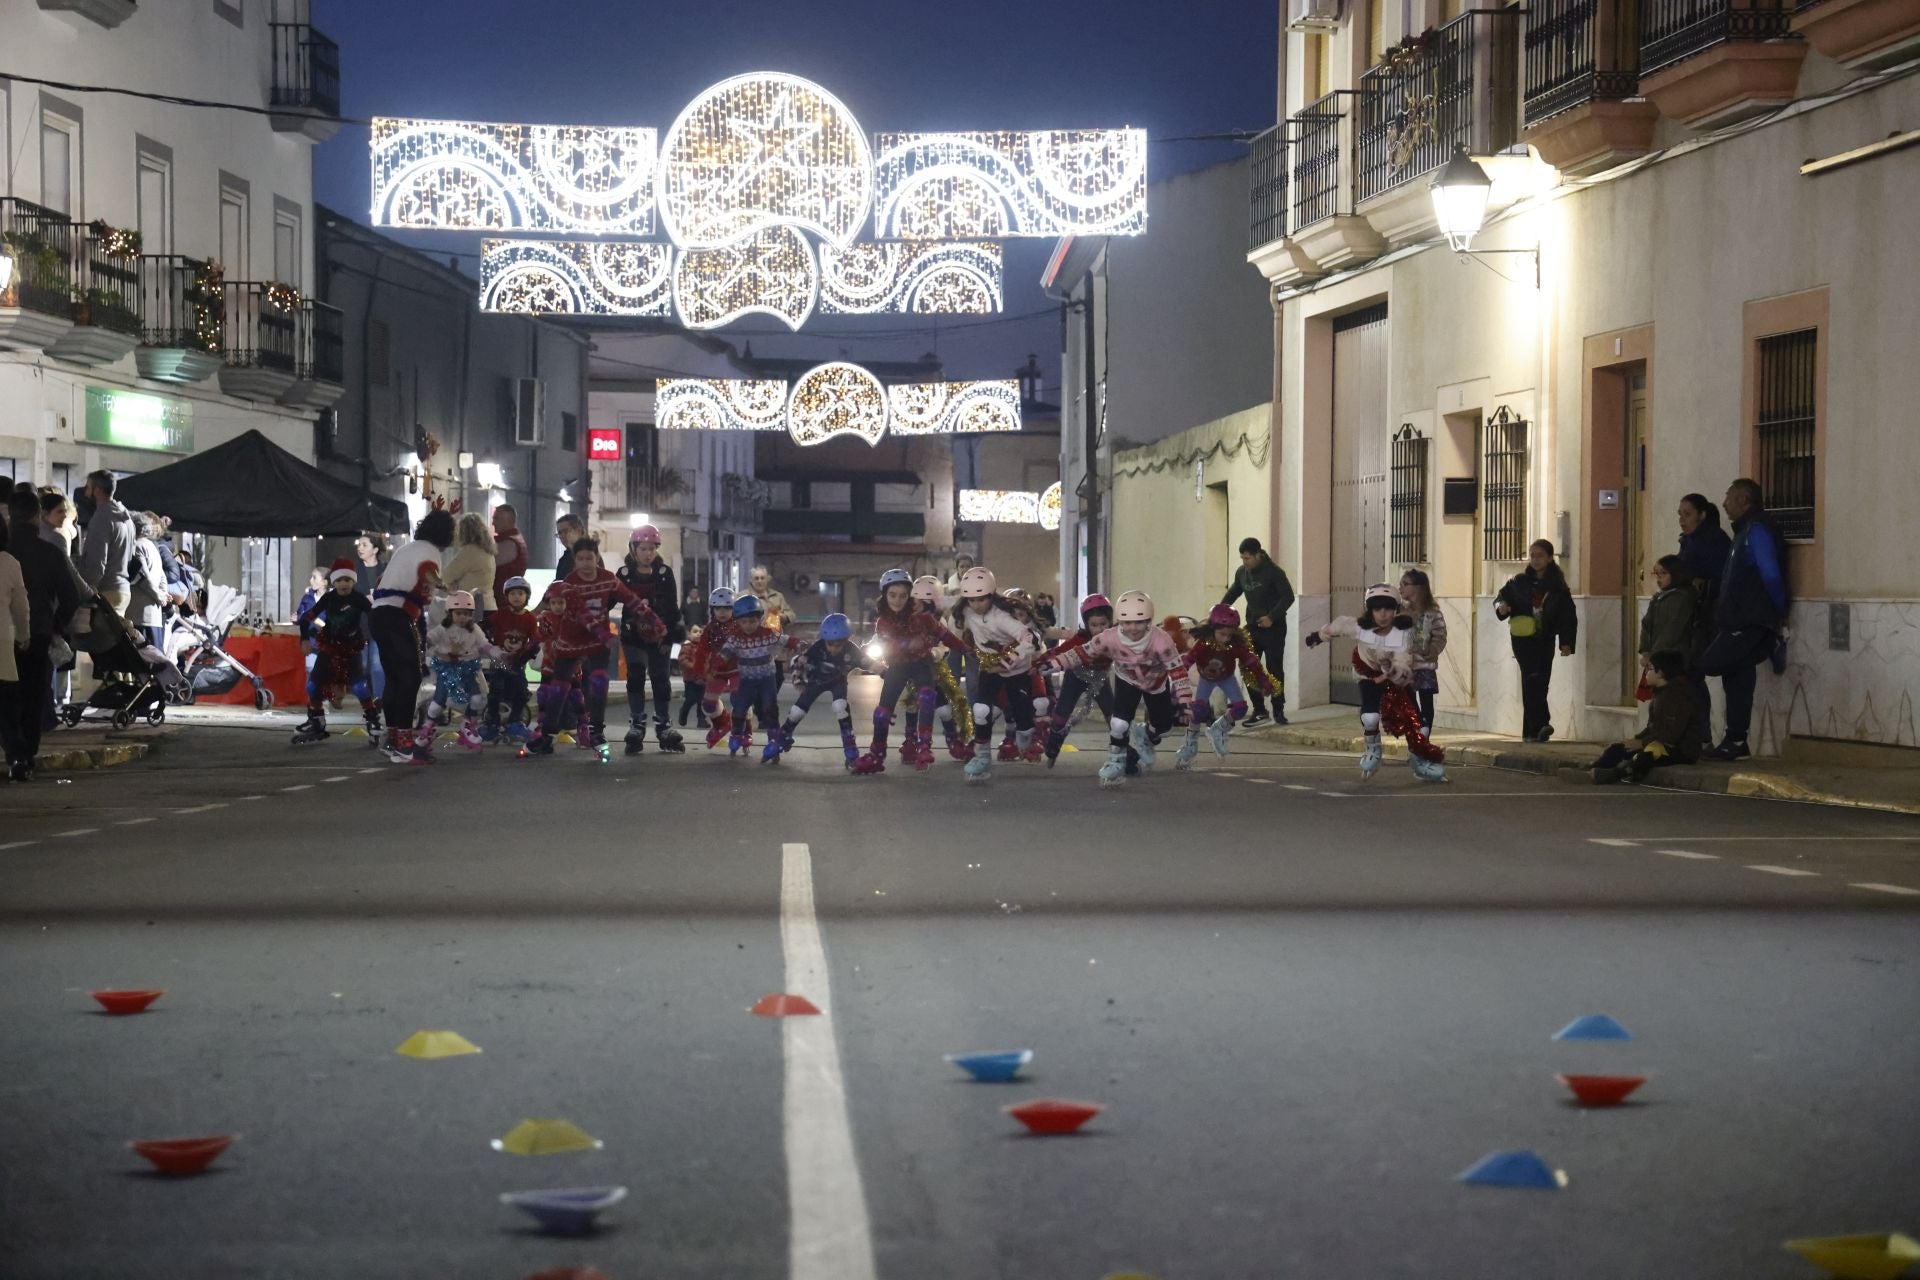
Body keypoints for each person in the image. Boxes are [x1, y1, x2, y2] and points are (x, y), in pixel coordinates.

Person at [521, 539, 660, 759]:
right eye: (580, 559)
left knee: (598, 681)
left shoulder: (607, 579)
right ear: (575, 561)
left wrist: (652, 619)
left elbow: (630, 599)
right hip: (571, 639)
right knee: (558, 687)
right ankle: (547, 735)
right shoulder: (570, 582)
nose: (586, 563)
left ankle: (596, 730)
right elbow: (578, 614)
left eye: (590, 558)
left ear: (597, 558)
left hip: (598, 642)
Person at [1042, 590, 1189, 787]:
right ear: (1119, 621)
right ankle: (1116, 762)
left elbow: (1177, 670)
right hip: (1121, 680)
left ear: (1149, 621)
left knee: (1164, 728)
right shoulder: (1109, 637)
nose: (1133, 628)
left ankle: (1145, 734)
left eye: (1140, 622)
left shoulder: (1161, 640)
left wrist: (1185, 700)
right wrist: (1053, 664)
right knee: (1118, 723)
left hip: (1155, 684)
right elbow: (1080, 653)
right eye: (1127, 623)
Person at [1307, 584, 1448, 782]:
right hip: (1369, 678)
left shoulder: (1402, 635)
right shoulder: (1360, 628)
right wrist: (1319, 636)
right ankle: (1373, 749)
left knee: (1420, 726)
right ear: (1370, 610)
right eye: (1377, 609)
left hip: (1398, 681)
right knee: (1370, 718)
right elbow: (1339, 625)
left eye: (1388, 608)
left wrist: (1392, 670)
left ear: (1396, 610)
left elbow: (1404, 662)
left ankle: (1419, 762)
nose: (1383, 614)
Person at [1699, 478, 1788, 761]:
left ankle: (1768, 645)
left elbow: (1770, 574)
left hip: (1749, 619)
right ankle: (1736, 740)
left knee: (1709, 664)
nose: (1724, 503)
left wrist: (1778, 612)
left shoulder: (1757, 530)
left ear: (1744, 500)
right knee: (1737, 674)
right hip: (1736, 619)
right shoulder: (1741, 532)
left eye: (1729, 497)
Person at [852, 569, 971, 775]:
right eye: (892, 595)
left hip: (922, 663)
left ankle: (924, 747)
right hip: (897, 666)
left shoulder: (923, 618)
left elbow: (946, 636)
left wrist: (966, 651)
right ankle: (877, 755)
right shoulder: (883, 622)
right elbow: (893, 646)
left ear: (909, 596)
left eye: (903, 595)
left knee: (927, 698)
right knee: (882, 714)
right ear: (885, 594)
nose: (897, 600)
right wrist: (911, 642)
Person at [369, 509, 455, 764]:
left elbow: (383, 579)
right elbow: (427, 572)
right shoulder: (430, 552)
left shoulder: (406, 548)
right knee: (410, 676)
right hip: (397, 616)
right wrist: (441, 584)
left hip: (379, 615)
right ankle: (404, 744)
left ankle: (393, 736)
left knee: (395, 677)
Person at [952, 566, 1042, 781]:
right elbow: (940, 603)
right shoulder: (966, 610)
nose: (976, 605)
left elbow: (1030, 638)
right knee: (981, 709)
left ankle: (1026, 736)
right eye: (971, 600)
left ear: (991, 595)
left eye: (981, 599)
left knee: (1024, 721)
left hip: (1016, 672)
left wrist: (1008, 661)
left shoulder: (1001, 617)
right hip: (989, 670)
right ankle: (982, 757)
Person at [13, 492, 81, 750]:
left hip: (6, 631)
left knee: (9, 692)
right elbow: (70, 596)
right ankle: (26, 753)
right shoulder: (50, 552)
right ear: (36, 516)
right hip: (39, 629)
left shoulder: (6, 551)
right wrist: (57, 625)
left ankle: (13, 745)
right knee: (34, 692)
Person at [1494, 539, 1576, 743]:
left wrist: (1566, 642)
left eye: (1540, 555)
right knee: (1531, 677)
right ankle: (1542, 723)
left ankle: (1531, 731)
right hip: (1523, 639)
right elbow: (1500, 598)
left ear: (1549, 558)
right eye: (1532, 555)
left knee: (1540, 682)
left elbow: (1567, 616)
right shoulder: (1519, 582)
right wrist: (1502, 607)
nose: (1536, 560)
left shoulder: (1557, 587)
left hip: (1545, 638)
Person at [1175, 604, 1276, 769]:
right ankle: (1190, 743)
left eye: (1230, 635)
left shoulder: (1235, 645)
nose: (1226, 639)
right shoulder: (1203, 644)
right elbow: (1188, 660)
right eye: (1222, 634)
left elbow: (1252, 662)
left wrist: (1263, 680)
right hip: (1206, 678)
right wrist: (1177, 677)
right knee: (1199, 711)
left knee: (1240, 709)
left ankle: (1218, 728)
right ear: (1212, 629)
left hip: (1226, 677)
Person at [769, 613, 872, 768]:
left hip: (838, 681)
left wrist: (886, 672)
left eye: (838, 644)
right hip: (816, 681)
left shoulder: (852, 650)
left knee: (840, 707)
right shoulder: (818, 646)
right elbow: (802, 660)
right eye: (830, 644)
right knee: (797, 711)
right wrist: (799, 676)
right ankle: (784, 735)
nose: (833, 648)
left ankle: (850, 745)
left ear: (846, 640)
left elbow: (869, 663)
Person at [293, 560, 378, 746]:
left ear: (353, 581)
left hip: (350, 649)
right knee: (312, 686)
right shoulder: (329, 599)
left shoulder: (358, 599)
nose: (343, 584)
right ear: (333, 582)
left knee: (358, 687)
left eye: (347, 579)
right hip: (329, 648)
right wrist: (305, 639)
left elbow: (375, 616)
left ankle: (373, 721)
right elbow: (306, 618)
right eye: (339, 580)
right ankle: (317, 721)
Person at [616, 525, 685, 755]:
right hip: (632, 634)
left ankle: (663, 725)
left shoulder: (664, 573)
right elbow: (609, 599)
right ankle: (637, 723)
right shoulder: (623, 574)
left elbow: (673, 606)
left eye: (652, 549)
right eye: (643, 548)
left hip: (659, 634)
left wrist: (674, 634)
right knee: (635, 675)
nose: (648, 553)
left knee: (660, 679)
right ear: (633, 549)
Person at [1590, 650, 1704, 783]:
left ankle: (1615, 775)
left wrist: (1642, 743)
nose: (1645, 673)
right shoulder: (1661, 693)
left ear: (1661, 673)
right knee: (1618, 749)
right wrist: (1635, 740)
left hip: (1681, 750)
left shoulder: (1677, 695)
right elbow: (1653, 728)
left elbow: (1671, 734)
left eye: (1649, 669)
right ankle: (1592, 770)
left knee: (1646, 755)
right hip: (1661, 743)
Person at [1222, 537, 1295, 726]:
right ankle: (1259, 709)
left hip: (1274, 628)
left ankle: (1278, 709)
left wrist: (1271, 617)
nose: (1244, 562)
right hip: (1252, 627)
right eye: (1242, 558)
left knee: (1274, 668)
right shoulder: (1242, 573)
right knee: (1248, 666)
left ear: (1257, 555)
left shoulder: (1274, 572)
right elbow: (1233, 593)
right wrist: (1219, 610)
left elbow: (1288, 597)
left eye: (1247, 558)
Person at [1675, 494, 1730, 746]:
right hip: (1692, 615)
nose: (1682, 520)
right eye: (1680, 514)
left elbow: (1720, 578)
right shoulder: (1689, 541)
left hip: (1710, 616)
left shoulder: (1713, 541)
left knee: (1694, 672)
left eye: (1687, 514)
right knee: (1688, 674)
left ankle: (1704, 736)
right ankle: (1697, 734)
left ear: (1702, 514)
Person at [718, 594, 800, 759]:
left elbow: (785, 640)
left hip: (766, 679)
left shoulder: (767, 633)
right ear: (738, 622)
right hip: (746, 680)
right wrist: (716, 664)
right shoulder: (736, 638)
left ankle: (773, 740)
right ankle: (736, 734)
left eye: (752, 621)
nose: (748, 626)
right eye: (744, 622)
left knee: (770, 709)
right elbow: (726, 651)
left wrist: (800, 645)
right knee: (740, 709)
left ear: (759, 619)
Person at [1039, 594, 1115, 767]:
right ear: (1087, 625)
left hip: (1099, 678)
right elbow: (1061, 651)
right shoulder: (1080, 639)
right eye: (1094, 625)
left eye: (1103, 624)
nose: (1099, 629)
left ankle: (1124, 752)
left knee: (1113, 715)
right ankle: (1053, 746)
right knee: (1062, 712)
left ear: (1110, 622)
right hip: (1076, 675)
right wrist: (1040, 661)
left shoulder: (1116, 637)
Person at [423, 590, 500, 753]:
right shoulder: (443, 628)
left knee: (478, 699)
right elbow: (429, 639)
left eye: (466, 614)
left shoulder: (475, 629)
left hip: (467, 669)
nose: (463, 617)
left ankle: (468, 725)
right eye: (458, 613)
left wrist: (497, 654)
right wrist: (424, 644)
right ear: (450, 613)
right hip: (446, 668)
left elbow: (484, 645)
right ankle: (427, 729)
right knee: (437, 705)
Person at [681, 585, 745, 748]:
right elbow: (702, 652)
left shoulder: (740, 627)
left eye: (727, 608)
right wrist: (699, 672)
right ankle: (722, 725)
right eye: (718, 608)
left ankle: (745, 731)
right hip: (718, 670)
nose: (722, 612)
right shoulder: (710, 630)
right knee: (708, 704)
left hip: (739, 668)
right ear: (712, 610)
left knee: (740, 699)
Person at [481, 575, 539, 741]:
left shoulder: (530, 618)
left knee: (522, 690)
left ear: (526, 596)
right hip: (500, 661)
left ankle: (514, 721)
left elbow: (534, 639)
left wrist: (529, 653)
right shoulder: (501, 614)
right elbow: (485, 626)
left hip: (517, 662)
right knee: (496, 689)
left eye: (521, 593)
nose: (517, 597)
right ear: (507, 597)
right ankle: (492, 722)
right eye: (513, 593)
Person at [0, 516, 34, 782]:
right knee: (7, 708)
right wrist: (24, 636)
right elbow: (21, 608)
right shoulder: (10, 563)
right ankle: (17, 758)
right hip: (2, 643)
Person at [76, 470, 136, 615]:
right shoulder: (126, 517)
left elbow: (97, 561)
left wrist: (87, 591)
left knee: (97, 637)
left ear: (97, 490)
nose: (85, 493)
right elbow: (131, 554)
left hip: (106, 591)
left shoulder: (101, 518)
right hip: (123, 589)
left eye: (88, 487)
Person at [1399, 568, 1447, 730]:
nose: (1401, 588)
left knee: (1426, 703)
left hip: (1425, 665)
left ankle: (1424, 736)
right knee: (1409, 704)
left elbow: (1440, 636)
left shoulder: (1433, 613)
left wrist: (1431, 650)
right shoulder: (1401, 612)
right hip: (1405, 666)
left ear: (1419, 588)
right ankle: (1417, 735)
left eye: (1405, 584)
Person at [124, 512, 169, 651]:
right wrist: (163, 594)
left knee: (142, 661)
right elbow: (162, 576)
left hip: (139, 615)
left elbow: (142, 577)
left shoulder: (136, 546)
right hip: (155, 615)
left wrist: (159, 596)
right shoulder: (152, 547)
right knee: (156, 659)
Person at [441, 511, 499, 616]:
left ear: (464, 531)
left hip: (472, 608)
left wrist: (454, 584)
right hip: (488, 605)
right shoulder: (487, 551)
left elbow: (446, 577)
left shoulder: (470, 551)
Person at [490, 504, 529, 604]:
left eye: (496, 519)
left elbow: (487, 565)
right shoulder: (516, 540)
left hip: (502, 602)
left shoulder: (509, 543)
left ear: (508, 520)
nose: (493, 523)